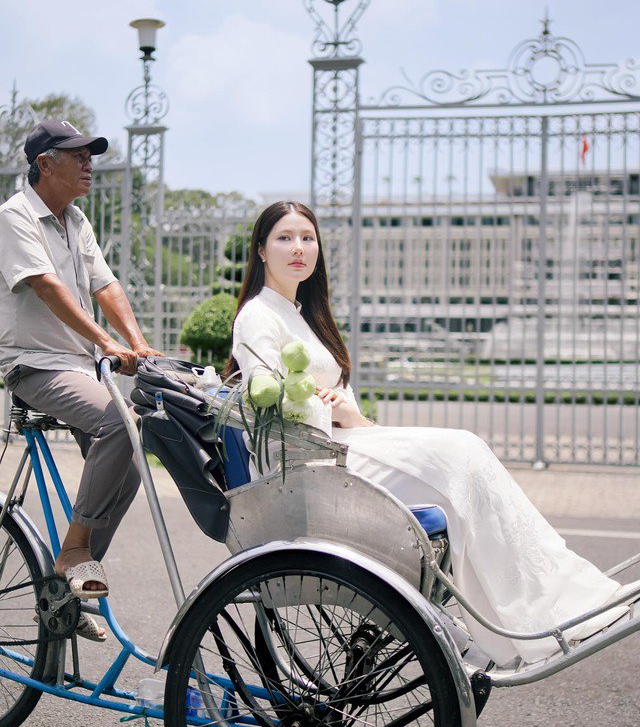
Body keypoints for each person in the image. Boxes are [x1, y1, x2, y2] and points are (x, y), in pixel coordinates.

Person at [226, 199, 633, 666]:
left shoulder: (303, 316)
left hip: (340, 445)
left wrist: (347, 413)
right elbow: (263, 400)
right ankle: (529, 616)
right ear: (261, 250)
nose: (298, 248)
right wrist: (325, 409)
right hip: (309, 465)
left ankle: (549, 602)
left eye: (307, 238)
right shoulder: (258, 315)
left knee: (465, 454)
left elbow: (338, 401)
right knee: (460, 455)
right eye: (284, 238)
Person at [0, 119, 162, 641]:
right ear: (45, 164)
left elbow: (105, 285)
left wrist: (135, 341)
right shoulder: (14, 216)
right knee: (121, 421)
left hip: (79, 364)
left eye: (90, 155)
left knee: (130, 466)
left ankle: (64, 586)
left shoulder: (75, 218)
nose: (89, 164)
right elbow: (47, 287)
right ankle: (73, 551)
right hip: (35, 364)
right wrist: (107, 343)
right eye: (78, 156)